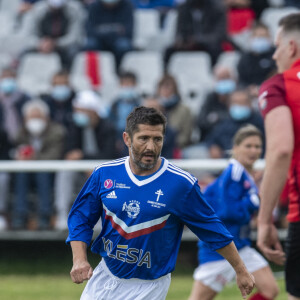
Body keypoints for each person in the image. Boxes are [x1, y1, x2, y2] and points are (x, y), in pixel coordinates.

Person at [66, 106, 255, 300]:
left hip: (148, 288)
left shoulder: (181, 184)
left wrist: (240, 269)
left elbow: (212, 228)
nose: (151, 147)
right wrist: (79, 259)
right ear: (127, 139)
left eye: (157, 139)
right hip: (104, 276)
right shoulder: (104, 174)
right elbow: (81, 217)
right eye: (143, 138)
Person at [189, 125, 279, 300]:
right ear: (236, 148)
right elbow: (228, 212)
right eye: (248, 146)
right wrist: (254, 201)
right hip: (220, 250)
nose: (254, 151)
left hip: (241, 246)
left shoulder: (246, 175)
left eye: (257, 146)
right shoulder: (234, 174)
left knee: (270, 290)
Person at [257, 13, 300, 300]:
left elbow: (281, 148)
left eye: (277, 47)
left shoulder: (279, 85)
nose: (274, 55)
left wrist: (264, 220)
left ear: (292, 48)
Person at [54, 90, 117, 230]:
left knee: (101, 175)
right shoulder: (74, 126)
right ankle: (62, 214)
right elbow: (68, 153)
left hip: (103, 171)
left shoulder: (108, 128)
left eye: (81, 110)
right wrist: (83, 163)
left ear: (92, 111)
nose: (77, 114)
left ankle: (102, 218)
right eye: (76, 110)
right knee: (65, 171)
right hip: (80, 171)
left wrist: (84, 158)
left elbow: (108, 155)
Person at [11, 99, 66, 230]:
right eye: (31, 117)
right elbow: (14, 150)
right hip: (27, 173)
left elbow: (55, 155)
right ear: (25, 119)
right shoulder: (21, 133)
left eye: (38, 117)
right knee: (21, 172)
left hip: (49, 173)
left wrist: (33, 158)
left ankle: (45, 215)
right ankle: (20, 214)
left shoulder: (57, 132)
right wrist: (18, 156)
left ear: (46, 118)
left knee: (43, 171)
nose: (34, 121)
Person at [206, 89, 264, 159]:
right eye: (236, 103)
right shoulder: (224, 123)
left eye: (243, 102)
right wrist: (213, 146)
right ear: (229, 105)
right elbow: (212, 139)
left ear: (250, 104)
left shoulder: (260, 123)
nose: (239, 106)